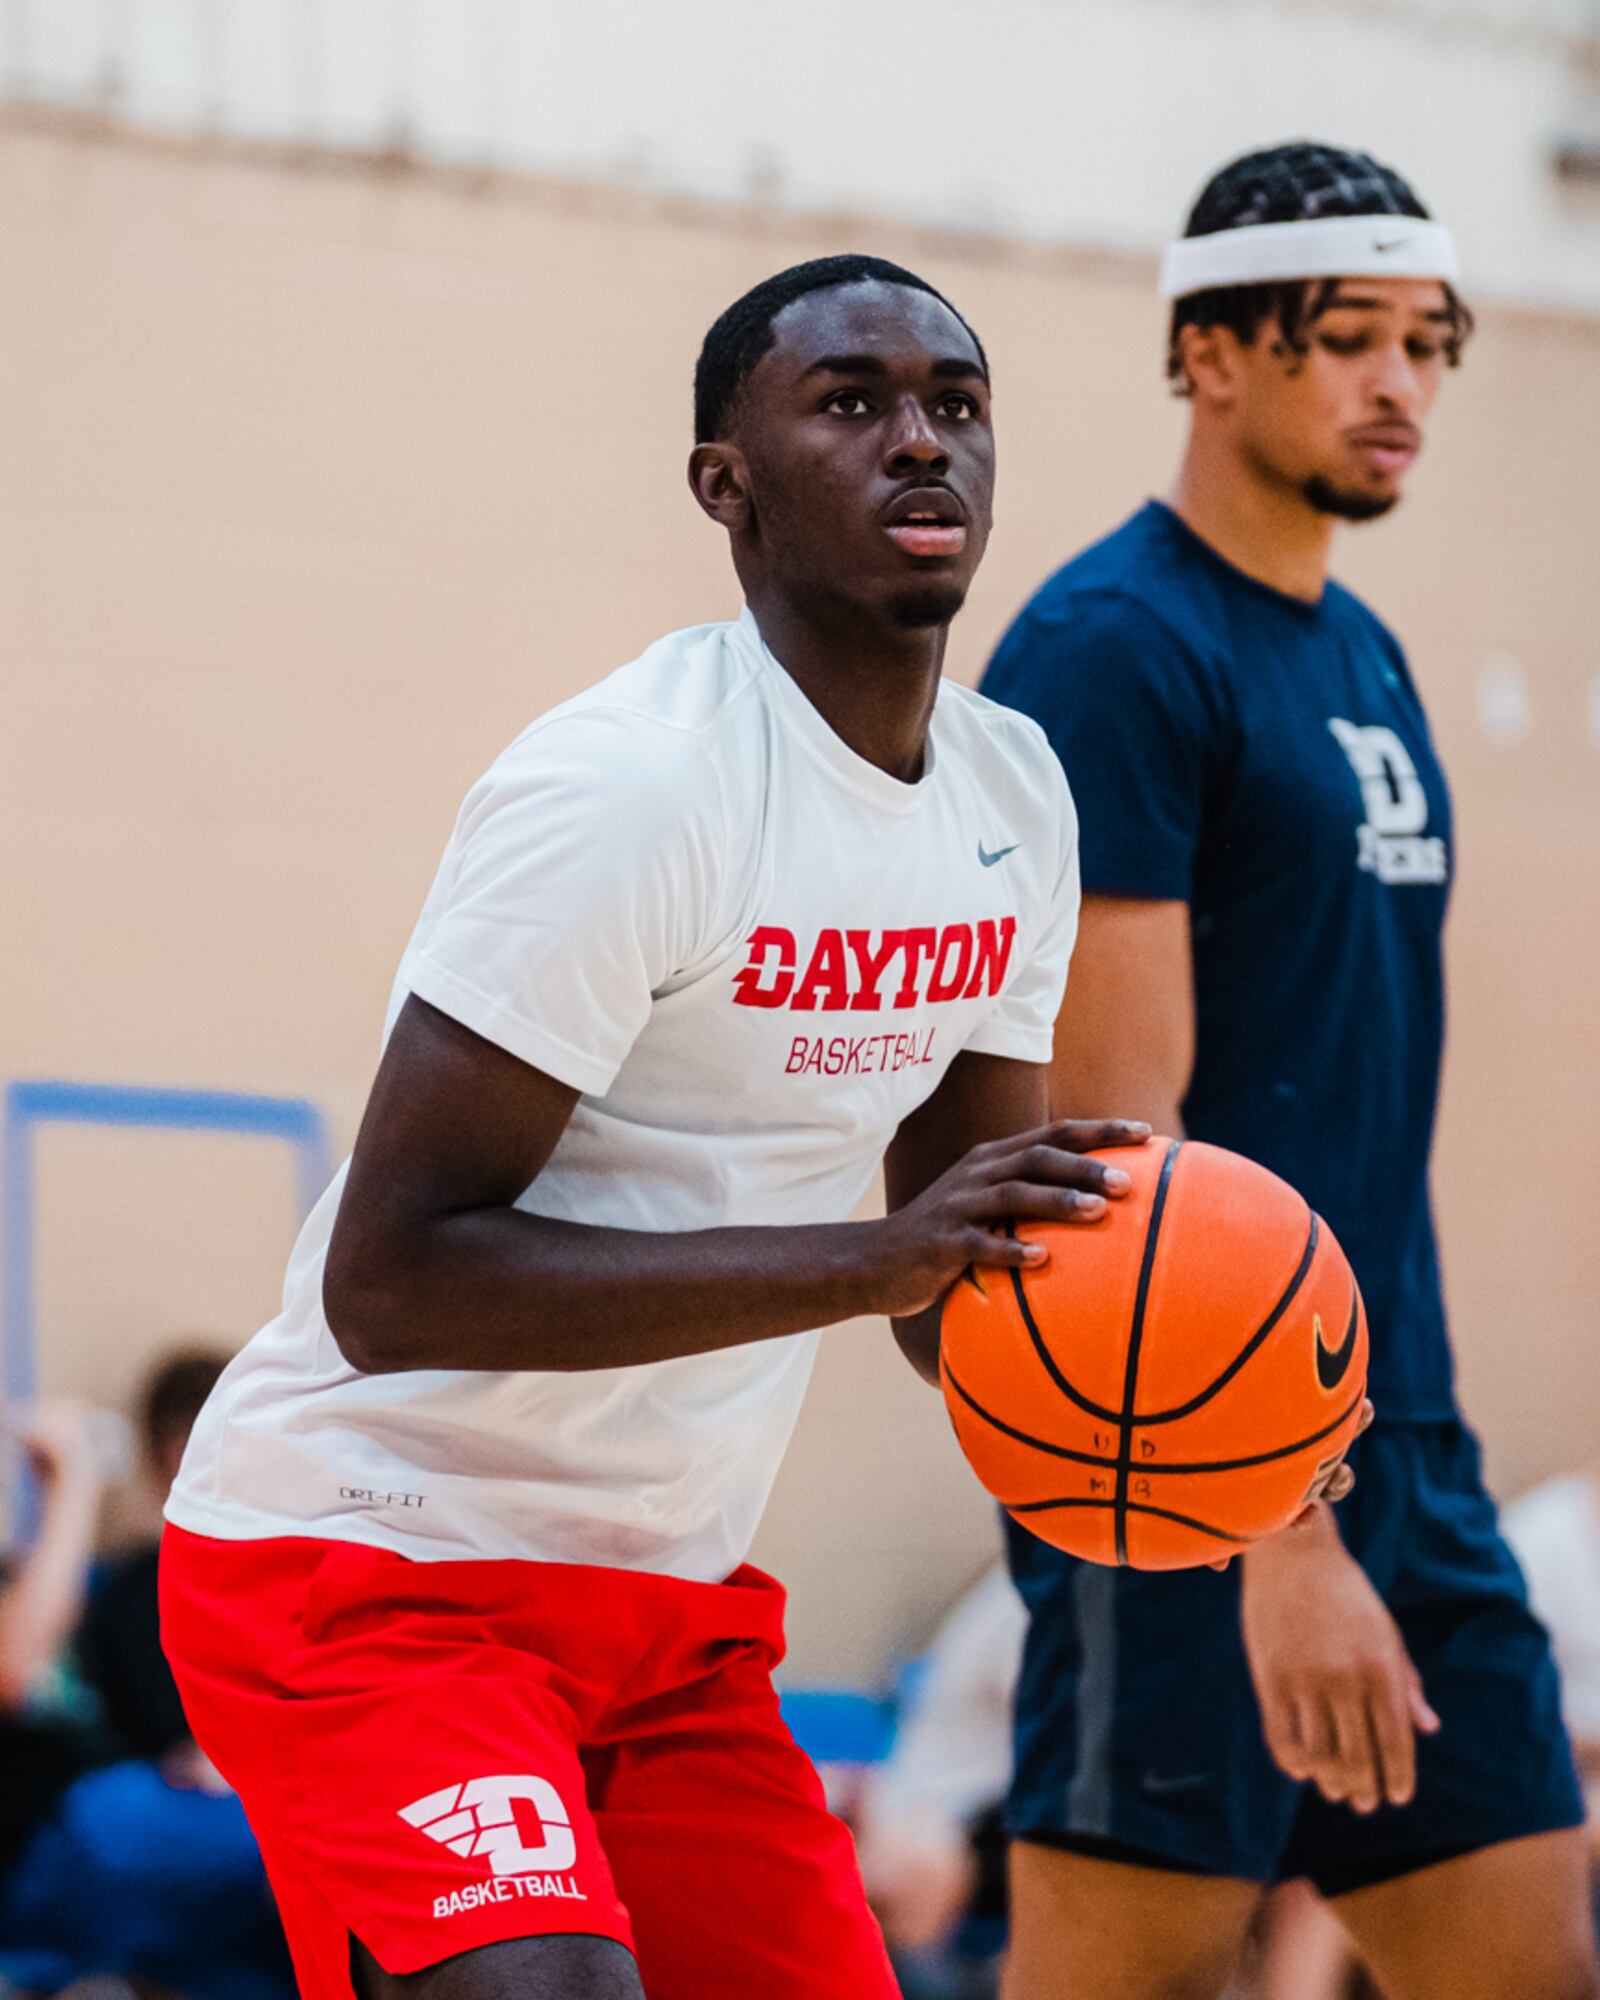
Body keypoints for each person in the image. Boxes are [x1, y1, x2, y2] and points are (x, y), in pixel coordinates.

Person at [160, 252, 1150, 2000]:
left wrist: (1196, 1413)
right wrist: (874, 1261)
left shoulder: (1014, 798)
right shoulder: (634, 785)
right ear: (730, 483)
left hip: (664, 1613)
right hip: (373, 1562)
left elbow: (958, 1287)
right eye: (853, 404)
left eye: (958, 405)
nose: (922, 441)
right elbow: (392, 1283)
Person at [980, 142, 1598, 2000]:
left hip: (1403, 1433)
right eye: (1348, 337)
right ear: (1211, 353)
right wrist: (1279, 1527)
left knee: (1529, 1960)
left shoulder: (1372, 657)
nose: (1401, 384)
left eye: (1429, 343)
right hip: (1184, 1456)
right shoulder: (1113, 652)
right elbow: (1114, 1157)